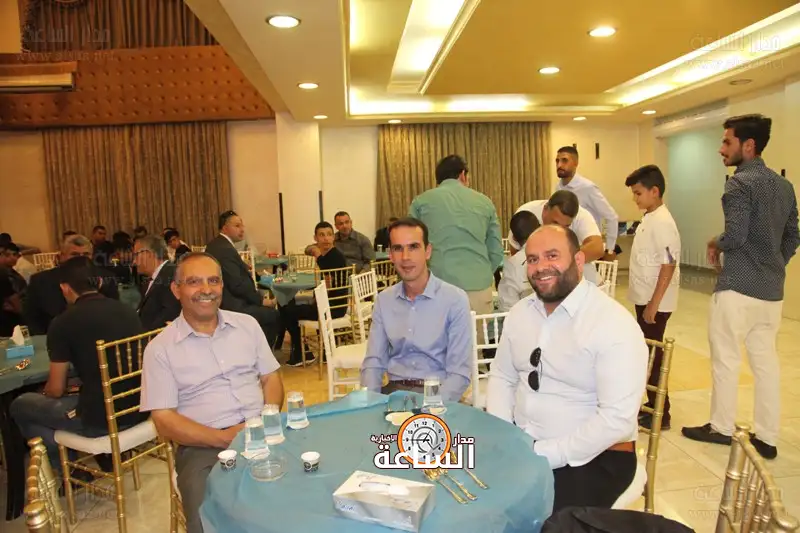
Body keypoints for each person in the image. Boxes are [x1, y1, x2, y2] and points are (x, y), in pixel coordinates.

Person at [486, 225, 647, 512]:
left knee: (533, 519)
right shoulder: (520, 314)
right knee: (470, 497)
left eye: (552, 256)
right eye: (533, 259)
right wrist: (504, 435)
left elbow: (616, 419)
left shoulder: (613, 324)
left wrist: (543, 454)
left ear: (579, 261)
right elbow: (502, 376)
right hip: (524, 443)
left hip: (596, 457)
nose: (541, 267)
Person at [140, 252, 284, 533]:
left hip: (263, 430)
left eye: (213, 281)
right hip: (204, 446)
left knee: (306, 492)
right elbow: (164, 419)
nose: (206, 289)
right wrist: (224, 438)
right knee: (208, 518)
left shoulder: (247, 325)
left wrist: (267, 418)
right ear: (176, 290)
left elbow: (271, 378)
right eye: (194, 282)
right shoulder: (160, 349)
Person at [683, 114, 799, 460]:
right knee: (766, 365)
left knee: (726, 360)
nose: (721, 149)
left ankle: (721, 427)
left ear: (748, 146)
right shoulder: (784, 186)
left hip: (736, 289)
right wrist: (773, 265)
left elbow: (735, 236)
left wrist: (714, 241)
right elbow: (793, 236)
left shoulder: (738, 184)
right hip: (771, 293)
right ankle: (767, 437)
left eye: (727, 142)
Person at [10, 256, 147, 472]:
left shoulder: (62, 323)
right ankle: (92, 460)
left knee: (20, 405)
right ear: (99, 282)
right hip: (140, 407)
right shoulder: (128, 312)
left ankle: (70, 471)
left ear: (65, 288)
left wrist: (43, 392)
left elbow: (55, 389)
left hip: (100, 419)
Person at [360, 218, 472, 400]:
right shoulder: (384, 300)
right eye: (398, 248)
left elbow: (459, 374)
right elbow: (374, 362)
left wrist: (430, 407)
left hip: (437, 392)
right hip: (394, 394)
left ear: (428, 251)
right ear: (390, 255)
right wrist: (370, 403)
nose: (405, 257)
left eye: (413, 247)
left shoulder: (454, 300)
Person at [409, 154, 504, 318]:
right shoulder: (485, 202)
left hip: (436, 286)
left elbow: (411, 247)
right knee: (475, 334)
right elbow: (496, 251)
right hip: (478, 286)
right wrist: (483, 273)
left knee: (436, 334)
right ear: (462, 175)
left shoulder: (421, 202)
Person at [625, 165, 681, 431]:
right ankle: (653, 406)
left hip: (654, 303)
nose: (634, 198)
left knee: (654, 359)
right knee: (647, 356)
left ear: (654, 191)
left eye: (638, 193)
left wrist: (654, 305)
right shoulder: (650, 217)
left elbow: (668, 264)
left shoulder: (663, 222)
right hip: (645, 299)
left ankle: (661, 414)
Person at [205, 210, 281, 347]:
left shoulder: (216, 244)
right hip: (232, 305)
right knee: (272, 315)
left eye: (242, 225)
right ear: (225, 228)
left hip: (222, 301)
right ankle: (259, 354)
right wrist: (261, 301)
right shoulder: (225, 249)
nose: (242, 229)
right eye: (237, 226)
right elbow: (237, 284)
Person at [280, 222, 347, 366]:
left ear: (333, 237)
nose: (326, 238)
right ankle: (304, 350)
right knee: (289, 304)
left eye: (329, 235)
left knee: (286, 308)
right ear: (315, 238)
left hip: (331, 308)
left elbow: (327, 287)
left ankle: (301, 352)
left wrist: (317, 254)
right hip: (332, 305)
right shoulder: (330, 255)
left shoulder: (333, 258)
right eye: (322, 235)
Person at [24, 234, 120, 335]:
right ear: (61, 257)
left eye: (86, 254)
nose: (81, 259)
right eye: (75, 255)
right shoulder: (40, 281)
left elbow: (113, 314)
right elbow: (31, 319)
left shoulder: (106, 278)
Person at [511, 190, 604, 284]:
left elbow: (597, 248)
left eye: (566, 226)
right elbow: (515, 251)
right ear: (545, 209)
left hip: (585, 279)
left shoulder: (582, 215)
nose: (559, 230)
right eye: (555, 222)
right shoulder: (525, 214)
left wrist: (562, 260)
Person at [555, 146, 620, 259]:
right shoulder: (558, 188)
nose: (559, 165)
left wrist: (610, 249)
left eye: (564, 160)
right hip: (566, 251)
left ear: (575, 163)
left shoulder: (587, 188)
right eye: (557, 161)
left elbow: (611, 217)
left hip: (588, 251)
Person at [133, 235, 181, 330]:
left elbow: (170, 315)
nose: (134, 261)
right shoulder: (151, 279)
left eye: (136, 255)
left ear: (148, 254)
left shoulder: (171, 275)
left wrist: (143, 336)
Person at [498, 211, 540, 312]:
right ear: (540, 228)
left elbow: (507, 307)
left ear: (513, 238)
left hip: (525, 318)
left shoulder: (512, 264)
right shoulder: (556, 253)